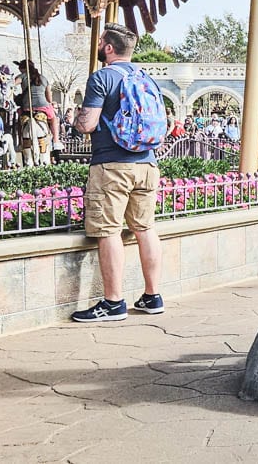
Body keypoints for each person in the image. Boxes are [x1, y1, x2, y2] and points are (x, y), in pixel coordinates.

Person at [71, 23, 164, 322]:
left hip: (112, 165)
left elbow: (87, 124)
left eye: (100, 42)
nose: (98, 46)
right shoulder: (146, 78)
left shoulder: (101, 78)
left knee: (108, 230)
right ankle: (152, 296)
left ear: (109, 48)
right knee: (145, 228)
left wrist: (76, 119)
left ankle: (113, 302)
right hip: (147, 164)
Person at [15, 59, 62, 148]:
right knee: (53, 119)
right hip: (42, 106)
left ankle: (20, 143)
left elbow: (12, 84)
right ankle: (56, 141)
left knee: (19, 120)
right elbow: (49, 98)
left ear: (23, 68)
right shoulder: (43, 78)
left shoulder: (22, 76)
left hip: (27, 107)